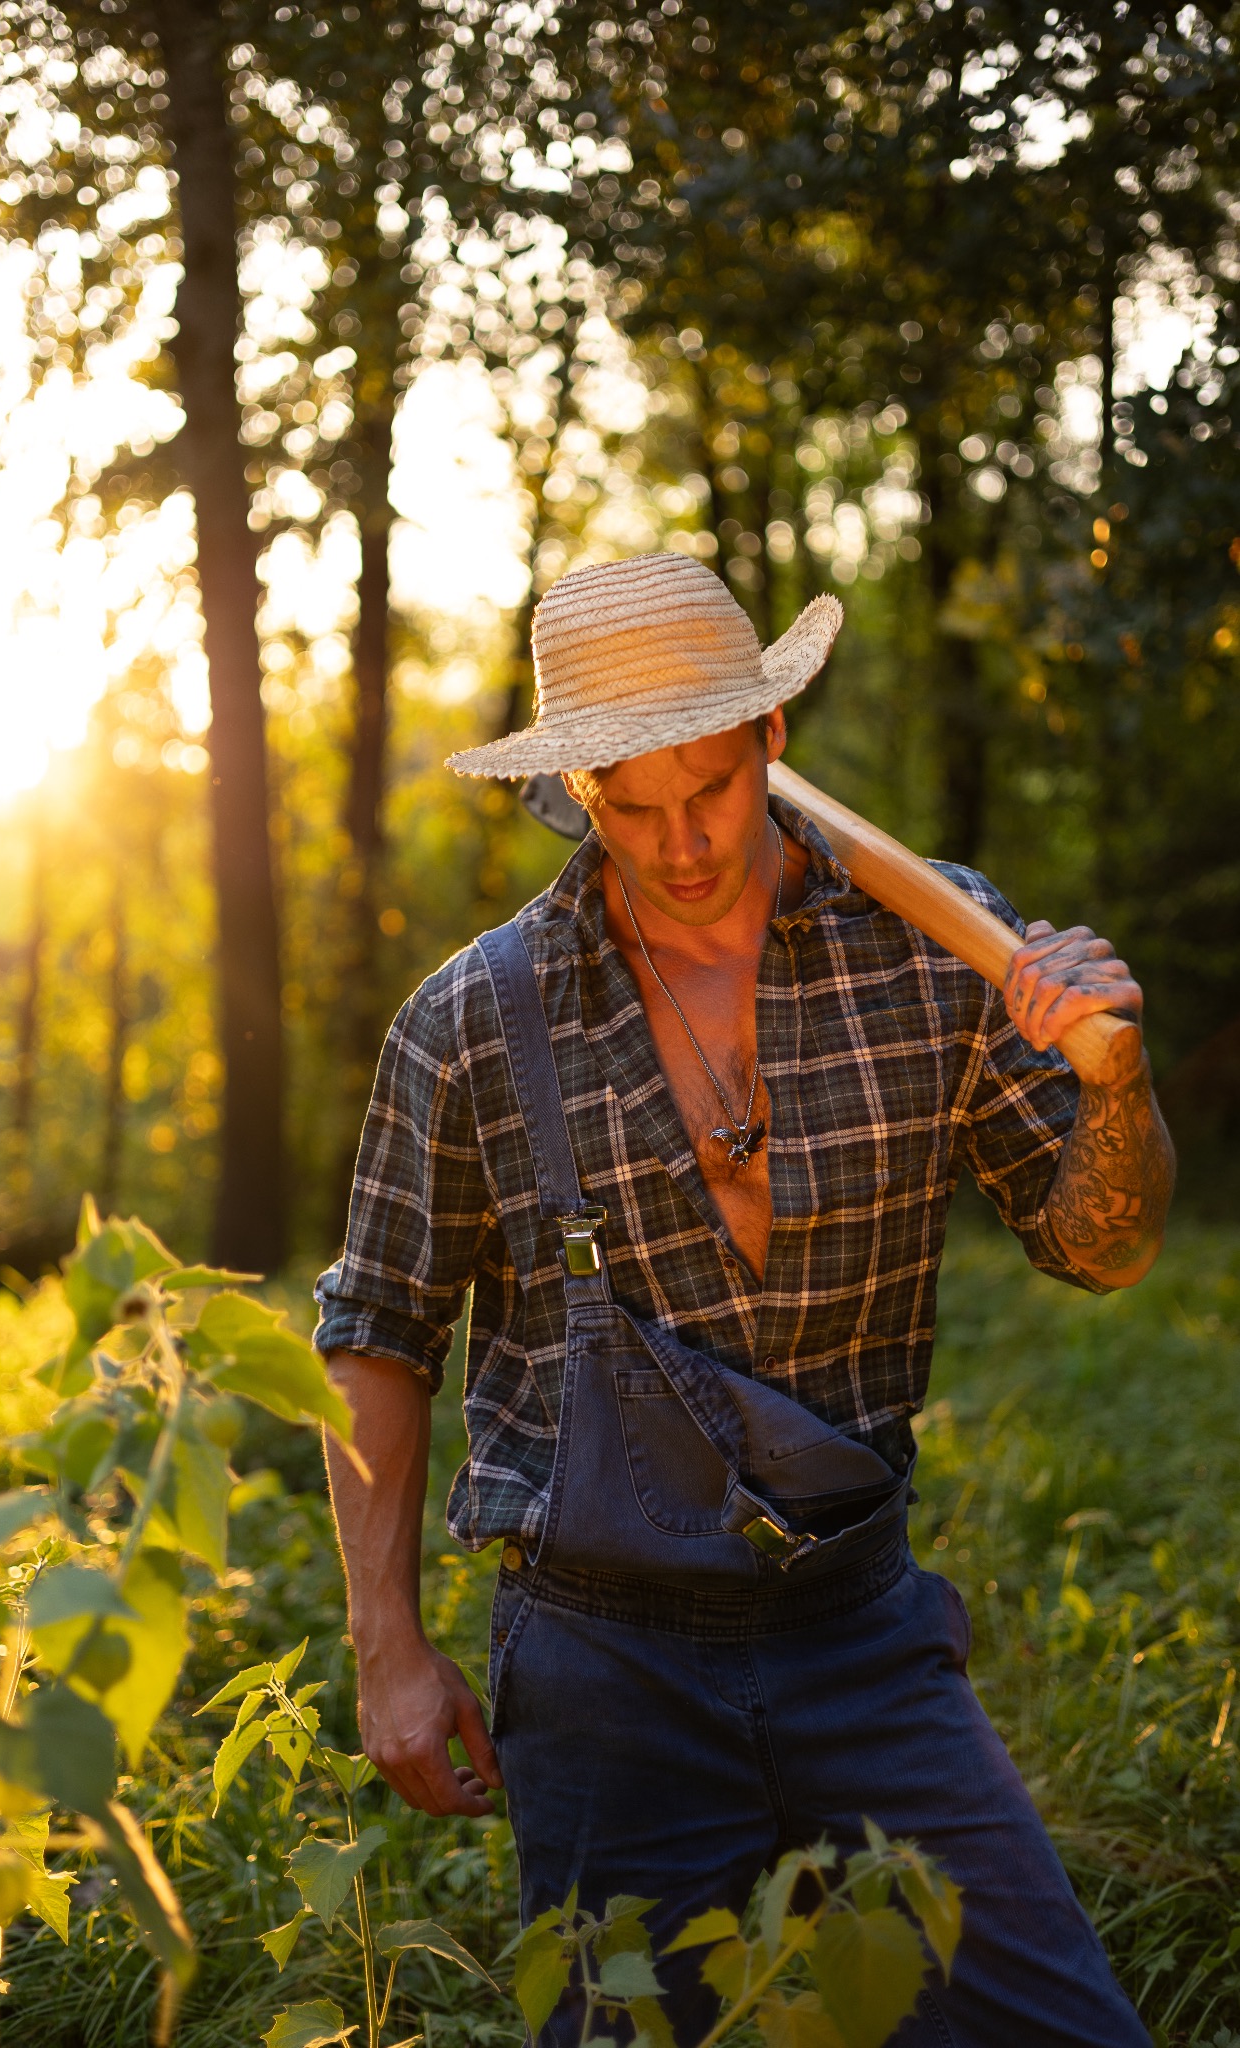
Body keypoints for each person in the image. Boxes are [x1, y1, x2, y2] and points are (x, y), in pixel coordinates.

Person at [315, 552, 1173, 2046]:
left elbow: (1102, 1247)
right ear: (575, 787)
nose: (680, 841)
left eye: (705, 788)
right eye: (627, 806)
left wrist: (1116, 1082)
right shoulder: (472, 1021)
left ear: (770, 739)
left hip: (860, 1630)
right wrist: (387, 1644)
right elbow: (375, 1330)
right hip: (596, 1661)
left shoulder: (940, 947)